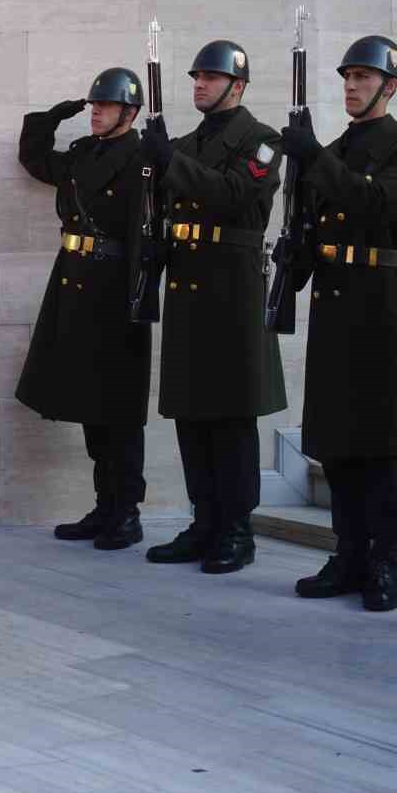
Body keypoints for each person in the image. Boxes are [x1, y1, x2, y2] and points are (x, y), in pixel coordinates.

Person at [276, 36, 397, 610]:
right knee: (338, 441)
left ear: (390, 86)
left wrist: (314, 159)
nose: (352, 85)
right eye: (347, 77)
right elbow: (314, 225)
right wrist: (292, 264)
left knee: (381, 443)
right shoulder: (333, 149)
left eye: (364, 77)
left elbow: (379, 204)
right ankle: (348, 553)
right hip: (334, 303)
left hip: (382, 305)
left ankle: (384, 560)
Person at [140, 41, 286, 574]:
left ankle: (236, 529)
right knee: (191, 414)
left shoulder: (263, 141)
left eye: (211, 77)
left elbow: (234, 196)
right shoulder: (183, 144)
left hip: (232, 290)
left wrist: (168, 161)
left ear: (237, 86)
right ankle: (204, 521)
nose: (200, 84)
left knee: (231, 416)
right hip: (188, 287)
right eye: (196, 76)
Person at [16, 67, 153, 551]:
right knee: (90, 404)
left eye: (105, 106)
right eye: (94, 104)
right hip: (75, 283)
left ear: (129, 113)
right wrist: (51, 117)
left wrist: (141, 296)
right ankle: (104, 507)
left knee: (119, 409)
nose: (95, 112)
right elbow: (34, 159)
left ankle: (126, 512)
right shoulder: (81, 154)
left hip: (116, 288)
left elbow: (148, 232)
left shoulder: (142, 158)